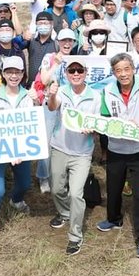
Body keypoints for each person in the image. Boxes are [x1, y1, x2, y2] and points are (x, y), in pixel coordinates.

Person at [96, 53, 139, 258]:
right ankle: (114, 219)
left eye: (127, 69)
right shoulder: (108, 91)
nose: (123, 74)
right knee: (113, 188)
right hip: (117, 149)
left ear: (133, 69)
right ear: (114, 73)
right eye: (118, 70)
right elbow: (105, 119)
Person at [46, 55, 102, 256]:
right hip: (60, 147)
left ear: (86, 73)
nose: (76, 74)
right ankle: (64, 213)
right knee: (56, 189)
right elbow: (52, 106)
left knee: (76, 194)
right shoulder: (61, 90)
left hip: (82, 153)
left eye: (80, 71)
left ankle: (75, 236)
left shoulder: (95, 96)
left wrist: (92, 128)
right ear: (67, 74)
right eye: (72, 71)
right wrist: (51, 95)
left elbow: (98, 124)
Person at [0, 56, 35, 250]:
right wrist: (8, 150)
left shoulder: (28, 97)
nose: (13, 76)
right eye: (9, 72)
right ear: (3, 74)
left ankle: (16, 200)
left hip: (21, 149)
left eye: (17, 72)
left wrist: (19, 150)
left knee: (26, 183)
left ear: (23, 74)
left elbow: (29, 127)